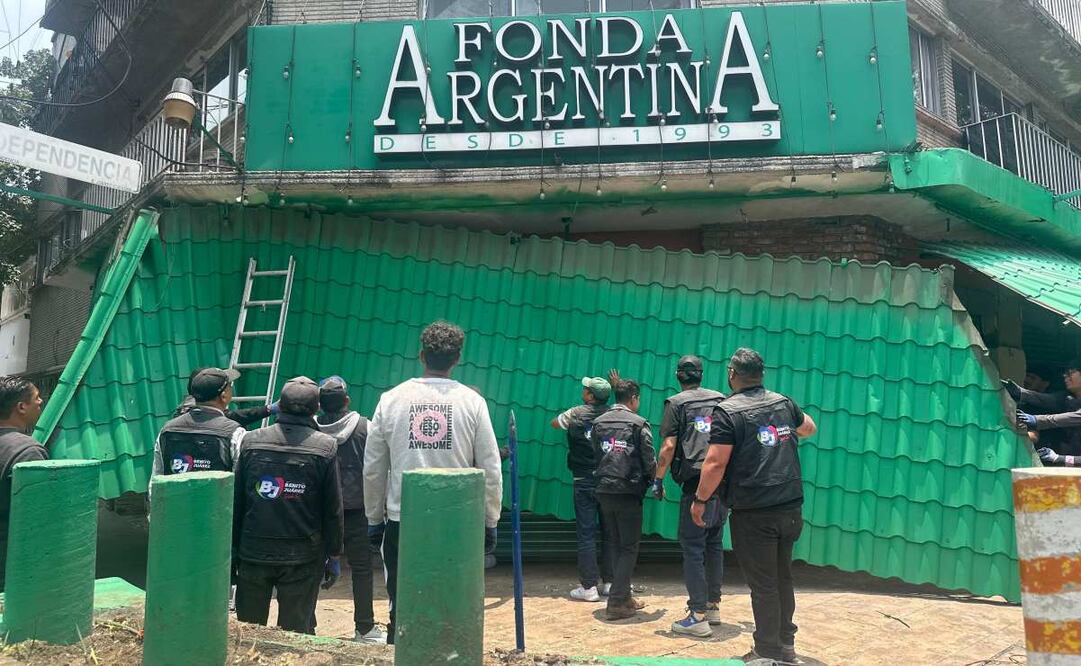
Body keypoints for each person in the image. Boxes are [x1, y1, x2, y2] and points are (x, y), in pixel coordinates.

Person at [363, 320, 504, 645]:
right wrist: (490, 519)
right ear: (457, 359)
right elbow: (491, 468)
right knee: (454, 604)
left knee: (404, 604)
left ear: (421, 355)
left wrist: (373, 519)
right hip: (457, 525)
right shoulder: (473, 403)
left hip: (403, 522)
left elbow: (373, 468)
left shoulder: (391, 400)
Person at [693, 348, 816, 664]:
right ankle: (785, 645)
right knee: (781, 577)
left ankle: (767, 651)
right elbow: (809, 428)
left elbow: (715, 463)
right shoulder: (783, 403)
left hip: (754, 512)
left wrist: (700, 500)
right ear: (761, 374)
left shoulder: (727, 412)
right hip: (790, 507)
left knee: (763, 584)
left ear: (732, 374)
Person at [233, 376, 344, 634]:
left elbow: (237, 501)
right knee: (295, 633)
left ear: (278, 406)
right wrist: (334, 554)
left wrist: (234, 549)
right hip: (303, 556)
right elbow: (333, 509)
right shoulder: (325, 447)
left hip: (253, 552)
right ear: (316, 409)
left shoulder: (250, 441)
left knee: (248, 632)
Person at [652, 355, 727, 637]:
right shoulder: (721, 399)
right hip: (721, 480)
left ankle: (697, 616)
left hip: (695, 483)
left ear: (678, 376)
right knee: (714, 544)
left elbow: (668, 447)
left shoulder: (676, 404)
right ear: (701, 375)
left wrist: (658, 480)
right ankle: (712, 605)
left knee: (693, 548)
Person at [316, 376, 387, 644]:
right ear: (347, 400)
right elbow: (377, 468)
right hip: (357, 510)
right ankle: (365, 628)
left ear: (320, 403)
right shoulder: (365, 427)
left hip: (320, 512)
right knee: (361, 568)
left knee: (312, 568)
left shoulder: (311, 428)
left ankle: (306, 624)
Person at [591, 375, 655, 621]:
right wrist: (652, 483)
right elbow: (648, 459)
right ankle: (617, 601)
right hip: (628, 491)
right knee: (629, 547)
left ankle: (624, 596)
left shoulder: (599, 423)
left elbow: (597, 454)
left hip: (604, 489)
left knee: (615, 543)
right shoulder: (639, 424)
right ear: (634, 398)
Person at [550, 375, 614, 602]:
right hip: (608, 481)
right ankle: (610, 583)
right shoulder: (614, 413)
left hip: (583, 478)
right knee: (610, 532)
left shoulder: (575, 413)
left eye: (586, 389)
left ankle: (588, 588)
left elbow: (555, 423)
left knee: (586, 534)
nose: (583, 390)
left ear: (590, 396)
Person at [153, 368, 247, 481]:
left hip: (176, 499)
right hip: (218, 499)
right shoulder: (235, 433)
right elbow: (241, 481)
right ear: (224, 396)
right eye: (230, 386)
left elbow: (156, 481)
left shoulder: (167, 430)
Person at [0, 377, 47, 590]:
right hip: (10, 565)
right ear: (21, 407)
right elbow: (37, 518)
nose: (41, 401)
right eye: (36, 397)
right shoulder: (27, 451)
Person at [1008, 361, 1081, 466]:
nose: (1066, 376)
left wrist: (1060, 459)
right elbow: (1045, 399)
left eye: (1071, 373)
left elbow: (1074, 417)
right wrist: (1021, 393)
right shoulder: (1067, 398)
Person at [173, 366, 277, 426]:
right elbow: (236, 416)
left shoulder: (175, 422)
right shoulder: (226, 429)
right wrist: (268, 409)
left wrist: (268, 409)